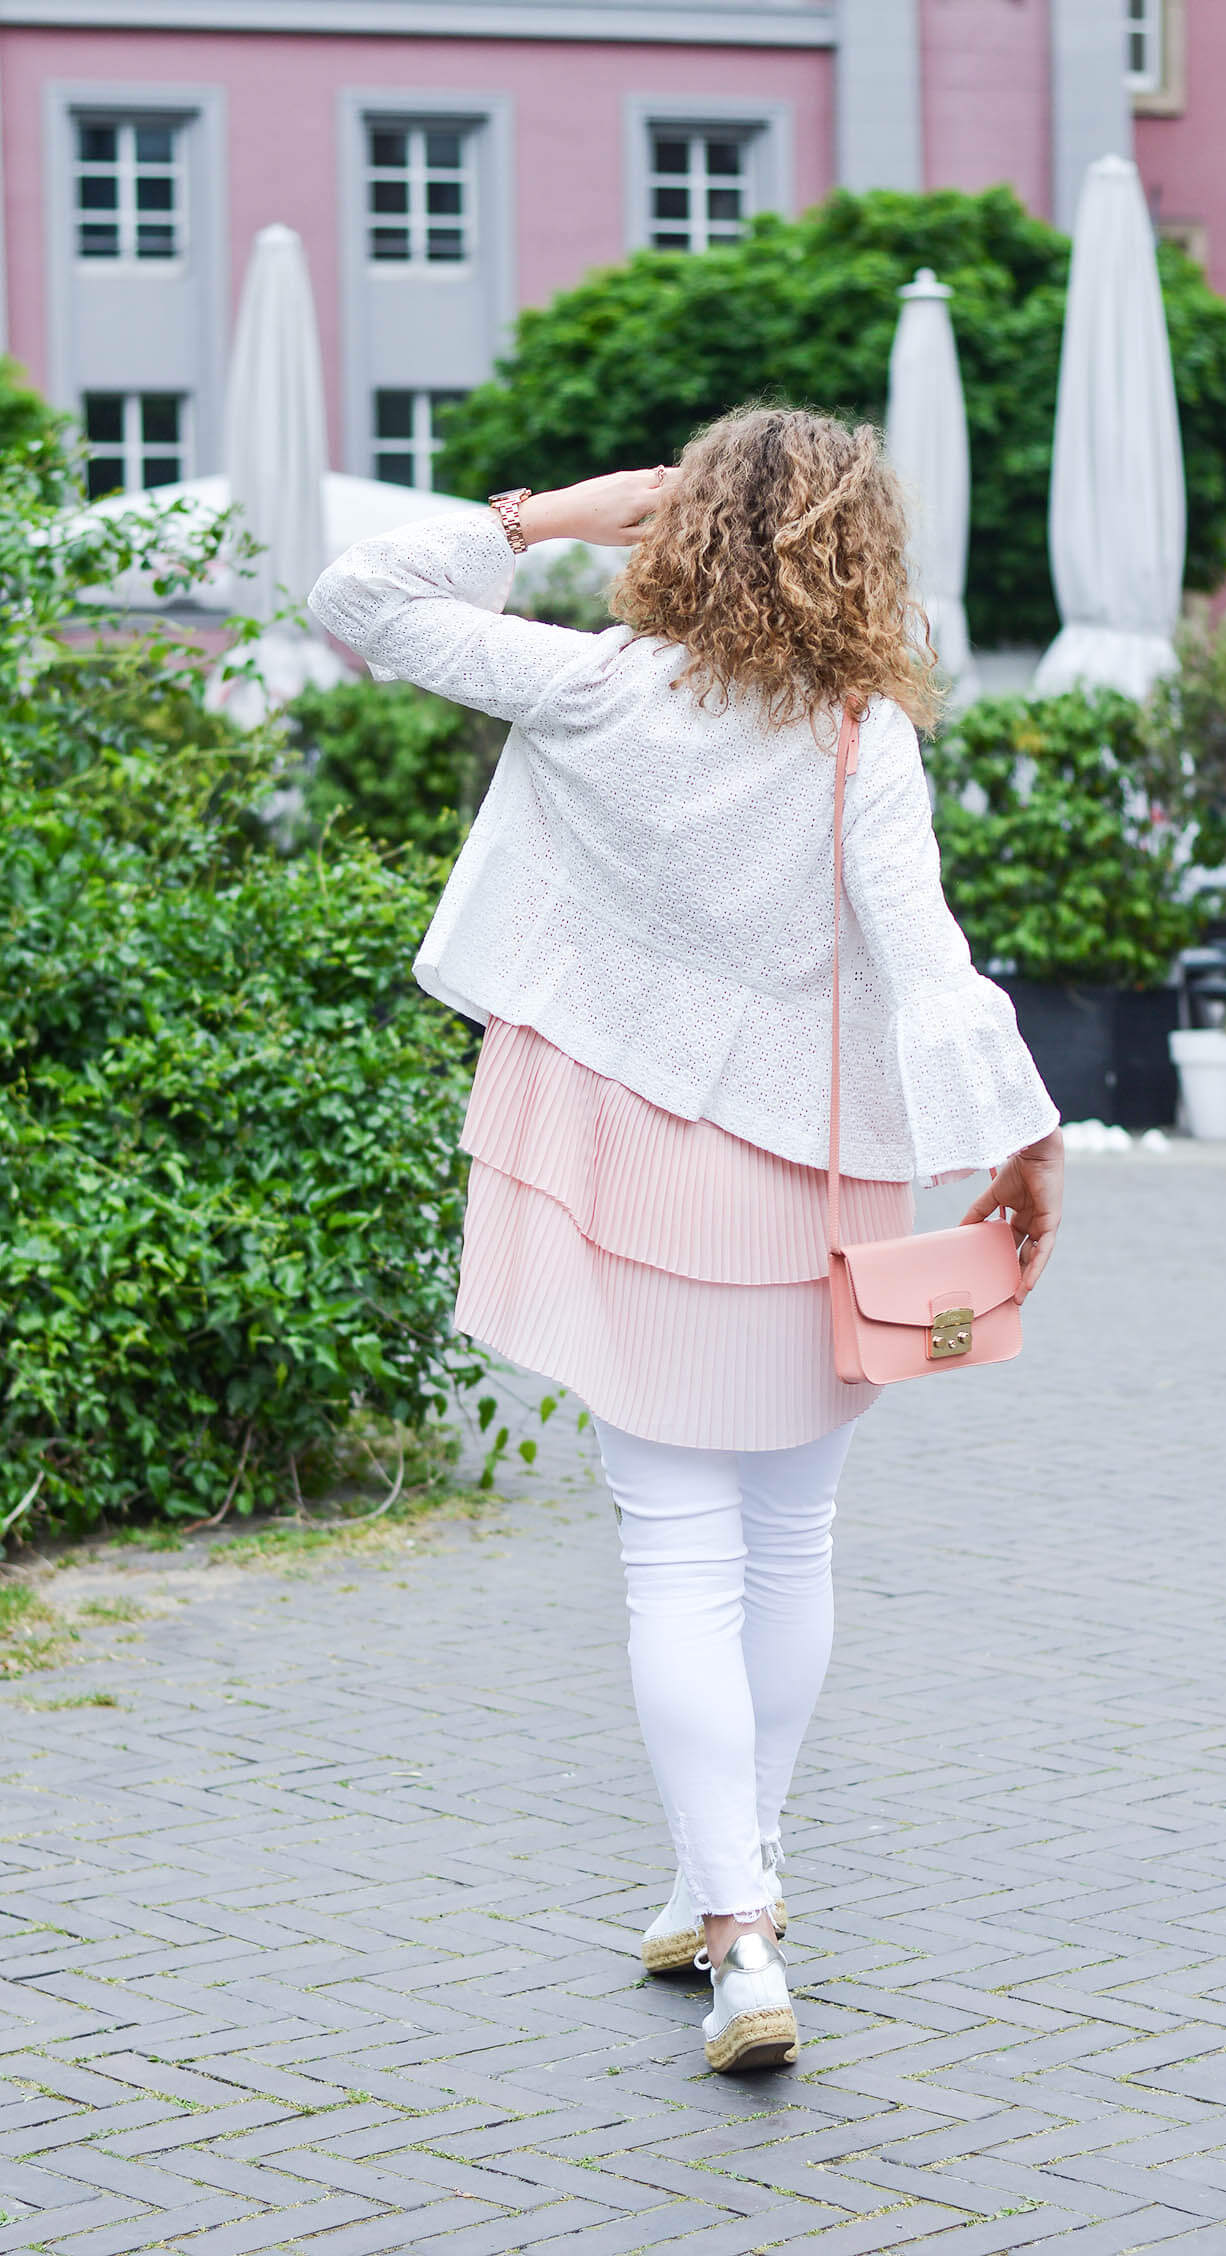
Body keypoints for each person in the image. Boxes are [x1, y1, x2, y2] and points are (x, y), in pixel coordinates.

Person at [308, 407, 1063, 2074]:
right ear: (863, 554)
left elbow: (354, 597)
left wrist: (556, 512)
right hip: (821, 1181)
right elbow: (925, 957)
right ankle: (742, 1898)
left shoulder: (599, 687)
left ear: (692, 529)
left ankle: (732, 1925)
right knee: (791, 1547)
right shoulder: (868, 732)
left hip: (631, 1166)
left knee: (674, 1556)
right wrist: (1022, 1128)